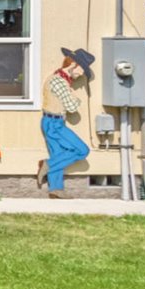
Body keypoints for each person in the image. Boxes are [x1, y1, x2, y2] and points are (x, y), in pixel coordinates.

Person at [37, 47, 96, 198]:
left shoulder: (61, 79)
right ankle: (48, 165)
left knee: (58, 154)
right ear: (73, 64)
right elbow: (71, 106)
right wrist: (76, 99)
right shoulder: (59, 81)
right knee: (82, 150)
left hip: (53, 122)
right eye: (83, 69)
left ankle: (56, 189)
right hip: (54, 123)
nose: (82, 73)